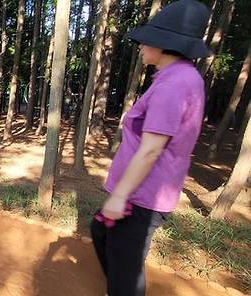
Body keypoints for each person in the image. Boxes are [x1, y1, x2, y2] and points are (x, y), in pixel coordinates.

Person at [90, 1, 210, 295]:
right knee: (101, 232)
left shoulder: (176, 84)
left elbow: (151, 150)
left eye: (148, 39)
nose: (141, 45)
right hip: (140, 191)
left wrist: (120, 196)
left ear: (167, 44)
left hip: (142, 195)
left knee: (126, 268)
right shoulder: (175, 77)